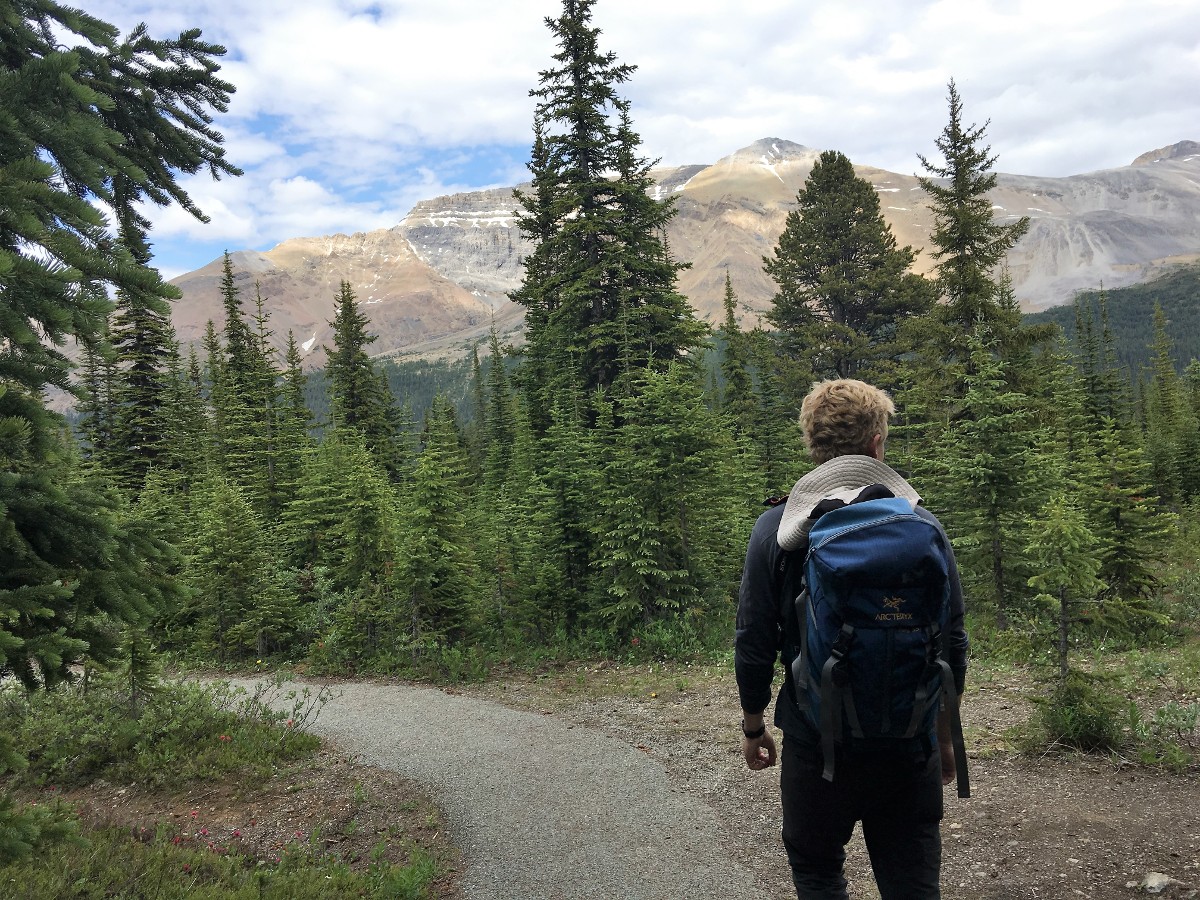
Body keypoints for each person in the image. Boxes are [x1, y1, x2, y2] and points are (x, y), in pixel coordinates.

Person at [734, 378, 968, 900]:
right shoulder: (921, 524)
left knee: (818, 873)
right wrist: (944, 737)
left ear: (813, 447)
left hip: (817, 740)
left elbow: (753, 638)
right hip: (909, 740)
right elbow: (951, 638)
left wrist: (754, 725)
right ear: (878, 443)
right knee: (911, 883)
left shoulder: (777, 528)